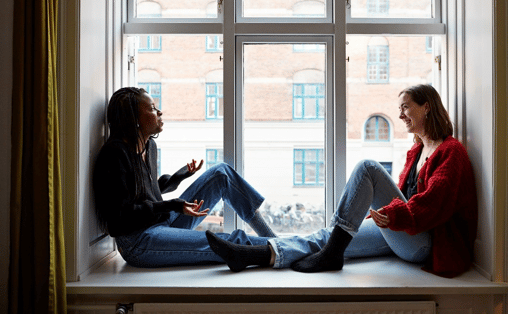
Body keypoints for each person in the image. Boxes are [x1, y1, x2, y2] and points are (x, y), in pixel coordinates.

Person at [206, 84, 478, 278]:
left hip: (425, 244)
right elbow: (403, 202)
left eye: (405, 107)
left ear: (427, 106)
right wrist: (386, 215)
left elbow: (433, 206)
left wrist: (392, 213)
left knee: (368, 168)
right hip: (406, 234)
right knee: (329, 236)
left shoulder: (450, 151)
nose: (400, 115)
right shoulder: (417, 151)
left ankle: (331, 254)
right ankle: (250, 256)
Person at [93, 87, 276, 268]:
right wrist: (174, 205)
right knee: (229, 242)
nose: (159, 112)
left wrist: (180, 176)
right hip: (138, 242)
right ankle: (286, 250)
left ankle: (274, 239)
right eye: (151, 108)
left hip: (162, 223)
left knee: (221, 173)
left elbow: (147, 192)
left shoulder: (149, 146)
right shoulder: (114, 154)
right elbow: (118, 221)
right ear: (133, 119)